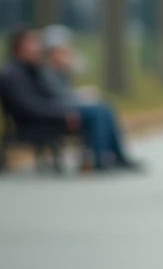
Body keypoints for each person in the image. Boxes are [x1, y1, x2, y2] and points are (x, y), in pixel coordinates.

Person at [38, 24, 141, 171]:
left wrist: (71, 71)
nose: (67, 54)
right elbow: (56, 95)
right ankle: (99, 158)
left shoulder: (58, 69)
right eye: (62, 51)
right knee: (99, 111)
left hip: (67, 105)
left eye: (67, 50)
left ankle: (117, 155)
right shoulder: (45, 71)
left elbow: (82, 68)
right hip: (60, 110)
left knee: (106, 107)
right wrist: (79, 95)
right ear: (51, 52)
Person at [0, 26, 84, 152]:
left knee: (97, 111)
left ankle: (104, 155)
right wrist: (64, 113)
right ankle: (101, 157)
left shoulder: (29, 68)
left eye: (38, 43)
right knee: (93, 114)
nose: (39, 48)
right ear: (19, 46)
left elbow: (49, 93)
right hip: (33, 124)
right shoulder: (13, 74)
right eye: (33, 43)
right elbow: (30, 106)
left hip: (43, 117)